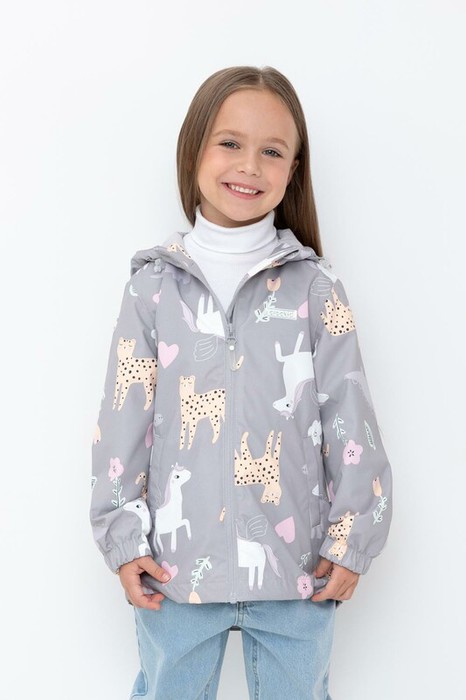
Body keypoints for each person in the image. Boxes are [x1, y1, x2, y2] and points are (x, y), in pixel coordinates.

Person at [90, 65, 392, 700]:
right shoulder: (152, 287)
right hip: (175, 571)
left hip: (295, 570)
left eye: (272, 151)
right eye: (230, 142)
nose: (250, 166)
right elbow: (123, 419)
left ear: (293, 170)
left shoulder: (316, 289)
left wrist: (352, 537)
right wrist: (122, 535)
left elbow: (350, 414)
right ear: (194, 149)